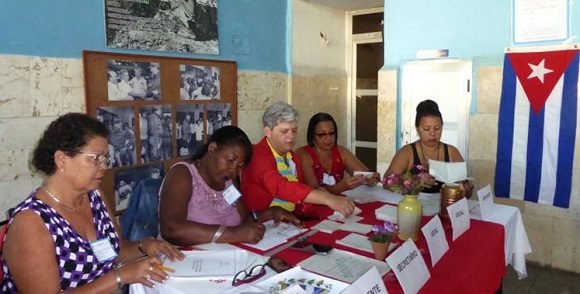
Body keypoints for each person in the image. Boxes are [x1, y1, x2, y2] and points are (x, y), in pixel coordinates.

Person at [0, 113, 184, 292]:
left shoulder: (95, 196)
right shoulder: (31, 222)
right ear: (61, 159)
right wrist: (119, 277)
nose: (104, 166)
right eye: (95, 158)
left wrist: (144, 246)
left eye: (105, 158)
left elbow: (114, 252)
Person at [159, 126, 301, 246]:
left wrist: (271, 213)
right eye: (230, 160)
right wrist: (233, 234)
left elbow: (244, 219)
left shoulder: (229, 181)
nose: (233, 170)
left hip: (227, 257)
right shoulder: (182, 175)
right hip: (186, 262)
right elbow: (171, 229)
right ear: (213, 148)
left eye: (240, 166)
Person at [241, 102, 356, 218]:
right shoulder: (257, 154)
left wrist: (322, 194)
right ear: (268, 132)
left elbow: (299, 190)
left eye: (294, 130)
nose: (291, 136)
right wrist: (328, 199)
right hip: (264, 223)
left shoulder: (292, 156)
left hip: (290, 219)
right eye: (284, 131)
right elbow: (281, 187)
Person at [385, 99, 473, 197]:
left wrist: (467, 190)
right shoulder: (407, 152)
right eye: (426, 129)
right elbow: (386, 182)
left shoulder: (452, 152)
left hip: (444, 208)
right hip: (414, 207)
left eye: (437, 128)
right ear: (418, 129)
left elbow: (467, 193)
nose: (432, 133)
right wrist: (414, 181)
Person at [296, 113, 380, 195]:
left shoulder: (340, 151)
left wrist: (370, 178)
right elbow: (314, 192)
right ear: (312, 136)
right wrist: (340, 187)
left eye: (332, 133)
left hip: (339, 204)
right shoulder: (303, 154)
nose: (328, 138)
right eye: (322, 134)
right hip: (312, 206)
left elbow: (363, 173)